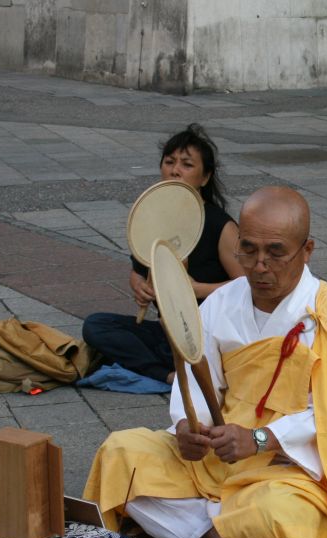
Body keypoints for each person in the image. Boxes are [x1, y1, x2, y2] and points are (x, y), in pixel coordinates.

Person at [83, 187, 327, 538]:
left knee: (273, 515)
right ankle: (216, 533)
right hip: (219, 453)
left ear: (307, 251)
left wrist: (259, 439)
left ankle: (220, 524)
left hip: (289, 469)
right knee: (119, 455)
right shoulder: (223, 301)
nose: (259, 266)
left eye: (275, 253)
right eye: (248, 250)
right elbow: (196, 377)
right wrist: (189, 426)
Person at [82, 124, 244, 385]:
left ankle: (169, 369)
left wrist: (193, 290)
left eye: (187, 165)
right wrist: (140, 287)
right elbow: (138, 272)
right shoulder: (153, 218)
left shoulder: (220, 226)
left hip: (208, 334)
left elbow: (247, 286)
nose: (175, 170)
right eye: (169, 162)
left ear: (205, 177)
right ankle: (169, 376)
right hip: (166, 331)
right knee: (95, 326)